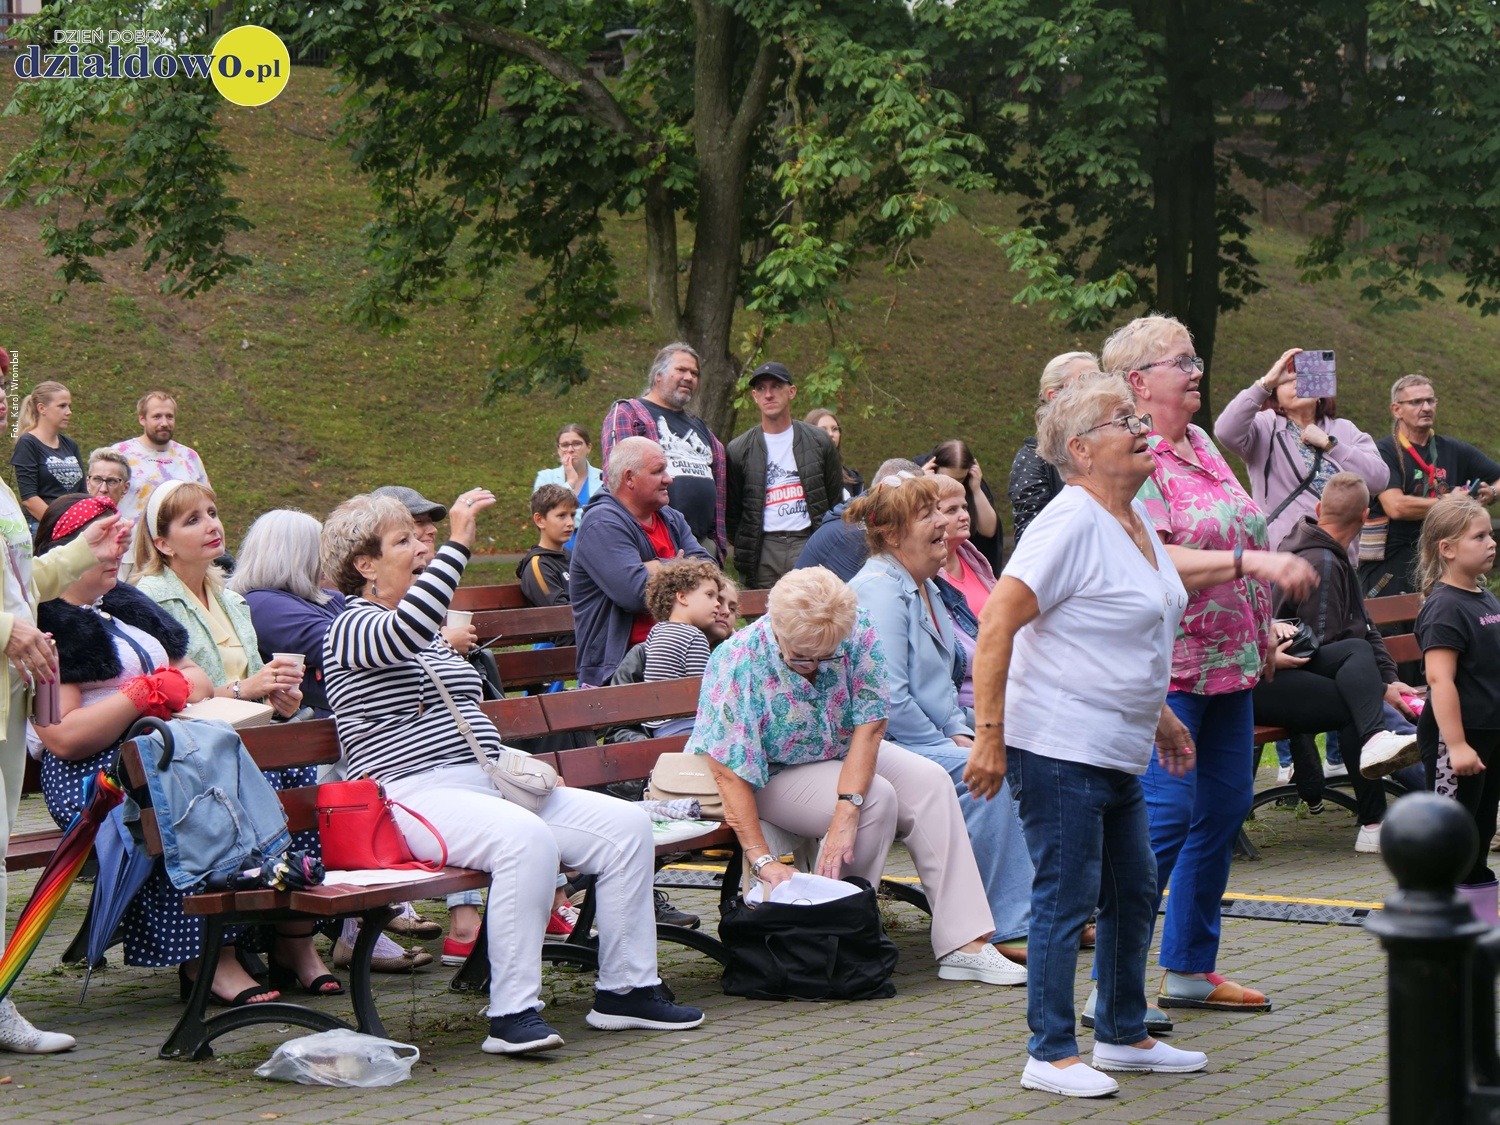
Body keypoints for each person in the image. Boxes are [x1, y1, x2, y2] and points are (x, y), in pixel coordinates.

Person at [320, 489, 705, 1055]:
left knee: (625, 828)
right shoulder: (350, 628)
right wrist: (457, 543)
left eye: (422, 538)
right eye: (403, 540)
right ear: (365, 565)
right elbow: (405, 632)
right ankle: (512, 1012)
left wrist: (517, 769)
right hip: (411, 795)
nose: (422, 547)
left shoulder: (425, 633)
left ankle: (626, 990)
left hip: (484, 783)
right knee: (524, 840)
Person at [966, 374, 1208, 1098]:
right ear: (1080, 448)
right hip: (1058, 745)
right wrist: (989, 736)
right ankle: (1048, 1051)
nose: (1141, 428)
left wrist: (1160, 715)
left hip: (1115, 746)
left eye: (1137, 417)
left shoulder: (1129, 518)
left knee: (1133, 891)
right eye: (1122, 420)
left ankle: (1122, 1034)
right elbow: (996, 622)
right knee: (1066, 898)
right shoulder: (1069, 521)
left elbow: (1117, 631)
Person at [27, 494, 324, 1006]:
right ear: (68, 552)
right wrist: (140, 694)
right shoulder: (50, 626)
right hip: (99, 775)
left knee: (288, 774)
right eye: (105, 544)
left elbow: (197, 679)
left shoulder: (124, 604)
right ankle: (209, 956)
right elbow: (63, 736)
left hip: (164, 751)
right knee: (185, 789)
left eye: (120, 542)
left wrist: (169, 687)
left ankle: (291, 935)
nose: (118, 554)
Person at [1107, 314, 1316, 1013]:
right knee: (1163, 819)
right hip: (1170, 672)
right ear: (1139, 381)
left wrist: (1261, 634)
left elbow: (1235, 526)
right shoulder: (1134, 455)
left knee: (1223, 810)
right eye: (1182, 361)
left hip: (1232, 666)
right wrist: (1250, 562)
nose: (1196, 371)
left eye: (1195, 359)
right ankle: (1114, 986)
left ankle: (1191, 968)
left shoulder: (1199, 442)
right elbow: (1155, 555)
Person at [690, 566, 1021, 985]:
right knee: (876, 798)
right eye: (801, 656)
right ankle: (834, 937)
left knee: (932, 781)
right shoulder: (738, 659)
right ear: (776, 627)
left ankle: (964, 943)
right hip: (769, 773)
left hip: (839, 750)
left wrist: (847, 807)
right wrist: (763, 860)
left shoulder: (856, 626)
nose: (813, 667)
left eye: (826, 656)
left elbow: (871, 724)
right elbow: (728, 771)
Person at [129, 481, 339, 997]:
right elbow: (168, 691)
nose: (212, 525)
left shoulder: (231, 598)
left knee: (302, 782)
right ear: (162, 543)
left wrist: (279, 699)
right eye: (193, 520)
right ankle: (212, 957)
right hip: (188, 747)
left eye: (213, 512)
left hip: (245, 737)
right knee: (226, 791)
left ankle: (294, 941)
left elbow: (250, 684)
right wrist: (246, 689)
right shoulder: (147, 599)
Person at [845, 473, 1032, 971]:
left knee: (1032, 751)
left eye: (939, 512)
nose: (941, 524)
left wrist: (960, 731)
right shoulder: (880, 590)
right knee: (981, 775)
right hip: (881, 742)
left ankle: (1047, 906)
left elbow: (943, 688)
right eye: (925, 515)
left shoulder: (924, 585)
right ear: (891, 533)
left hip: (923, 735)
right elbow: (888, 698)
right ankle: (1010, 922)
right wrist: (953, 745)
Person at [0, 355, 129, 1052]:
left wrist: (82, 550)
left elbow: (25, 582)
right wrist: (6, 629)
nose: (0, 400)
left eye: (1, 388)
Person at [1258, 474, 1422, 851]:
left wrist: (1388, 680)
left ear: (1319, 508)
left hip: (1301, 673)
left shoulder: (1328, 553)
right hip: (1274, 676)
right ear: (1365, 517)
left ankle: (1380, 813)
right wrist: (1380, 687)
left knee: (1360, 688)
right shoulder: (1322, 560)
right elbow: (1324, 645)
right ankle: (1391, 815)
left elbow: (1365, 628)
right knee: (1359, 702)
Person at [1413, 494, 1500, 925]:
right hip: (1458, 742)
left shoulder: (1483, 598)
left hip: (1490, 736)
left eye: (1490, 534)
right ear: (1446, 548)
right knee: (1453, 837)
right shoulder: (1445, 606)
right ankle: (1439, 928)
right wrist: (1458, 745)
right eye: (1478, 536)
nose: (1491, 542)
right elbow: (1439, 680)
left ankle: (1478, 927)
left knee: (1480, 832)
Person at [1214, 347, 1388, 558]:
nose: (1297, 383)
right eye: (1287, 381)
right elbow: (1225, 431)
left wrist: (1330, 444)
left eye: (1305, 377)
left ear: (1320, 393)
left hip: (1337, 557)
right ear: (1276, 397)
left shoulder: (1345, 430)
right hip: (1281, 556)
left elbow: (1379, 479)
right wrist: (1265, 383)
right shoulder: (1265, 426)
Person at [570, 437, 711, 687]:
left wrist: (656, 566)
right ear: (629, 478)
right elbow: (635, 593)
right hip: (622, 671)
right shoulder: (602, 524)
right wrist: (678, 566)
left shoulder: (672, 518)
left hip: (684, 654)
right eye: (658, 471)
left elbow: (710, 573)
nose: (669, 479)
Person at [1360, 374, 1500, 599]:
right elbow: (1396, 506)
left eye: (1430, 400)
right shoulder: (1382, 451)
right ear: (1396, 410)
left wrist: (1491, 492)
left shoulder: (1453, 449)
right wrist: (1449, 502)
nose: (1425, 407)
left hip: (1444, 561)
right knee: (1395, 621)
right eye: (1416, 402)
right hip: (1392, 564)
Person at [601, 343, 727, 559]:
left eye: (694, 373)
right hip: (654, 543)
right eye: (681, 370)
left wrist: (717, 545)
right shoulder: (629, 413)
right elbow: (616, 481)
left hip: (702, 545)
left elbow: (720, 488)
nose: (689, 377)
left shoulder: (702, 428)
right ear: (658, 375)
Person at [726, 362, 843, 589]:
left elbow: (834, 500)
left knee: (813, 607)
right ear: (754, 396)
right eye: (761, 388)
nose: (768, 394)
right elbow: (733, 513)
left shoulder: (819, 441)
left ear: (792, 391)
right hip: (763, 548)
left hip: (808, 541)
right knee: (762, 610)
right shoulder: (739, 449)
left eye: (776, 386)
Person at [229, 510, 346, 719]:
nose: (329, 558)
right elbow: (344, 645)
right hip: (320, 726)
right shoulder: (261, 603)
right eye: (321, 549)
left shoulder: (324, 597)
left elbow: (375, 632)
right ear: (296, 556)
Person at [1008, 352, 1098, 547]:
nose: (1098, 388)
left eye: (1100, 379)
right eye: (1085, 380)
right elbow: (1030, 539)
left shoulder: (1113, 441)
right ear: (1054, 396)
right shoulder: (1033, 458)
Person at [795, 458, 925, 583]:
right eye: (915, 501)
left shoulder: (866, 522)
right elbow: (869, 594)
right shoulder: (853, 534)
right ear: (888, 493)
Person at [930, 473, 992, 710]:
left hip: (999, 678)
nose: (964, 515)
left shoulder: (973, 557)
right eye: (952, 510)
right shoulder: (928, 574)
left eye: (964, 507)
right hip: (966, 700)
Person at [640, 559, 722, 732]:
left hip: (656, 725)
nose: (717, 603)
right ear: (682, 597)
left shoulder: (657, 630)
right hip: (685, 725)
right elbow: (703, 693)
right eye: (709, 595)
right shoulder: (694, 636)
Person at [112, 391, 211, 529]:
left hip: (181, 541)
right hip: (130, 540)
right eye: (157, 416)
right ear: (142, 419)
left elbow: (207, 504)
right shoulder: (120, 454)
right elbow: (101, 499)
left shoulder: (189, 457)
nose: (164, 423)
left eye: (169, 416)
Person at [922, 440, 1003, 572]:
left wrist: (976, 489)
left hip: (968, 562)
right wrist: (920, 484)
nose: (954, 484)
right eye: (952, 510)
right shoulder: (922, 480)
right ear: (934, 469)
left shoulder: (973, 483)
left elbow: (989, 531)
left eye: (960, 479)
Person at [10, 381, 84, 521]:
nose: (69, 412)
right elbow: (29, 499)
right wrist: (60, 525)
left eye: (69, 406)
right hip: (42, 526)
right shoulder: (28, 443)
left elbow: (82, 492)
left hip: (74, 524)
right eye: (62, 406)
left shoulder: (70, 444)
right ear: (42, 408)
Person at [532, 424, 603, 548]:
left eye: (577, 443)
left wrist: (558, 517)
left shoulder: (603, 478)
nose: (570, 449)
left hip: (595, 551)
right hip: (556, 553)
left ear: (589, 447)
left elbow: (604, 516)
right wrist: (570, 482)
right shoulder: (545, 477)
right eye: (565, 445)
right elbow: (542, 516)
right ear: (558, 450)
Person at [517, 485, 576, 609]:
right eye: (561, 516)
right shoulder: (538, 565)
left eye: (572, 515)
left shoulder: (573, 557)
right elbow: (559, 611)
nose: (570, 523)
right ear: (539, 520)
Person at [804, 407, 863, 499]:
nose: (831, 434)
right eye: (823, 430)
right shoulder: (797, 478)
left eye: (835, 429)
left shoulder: (853, 478)